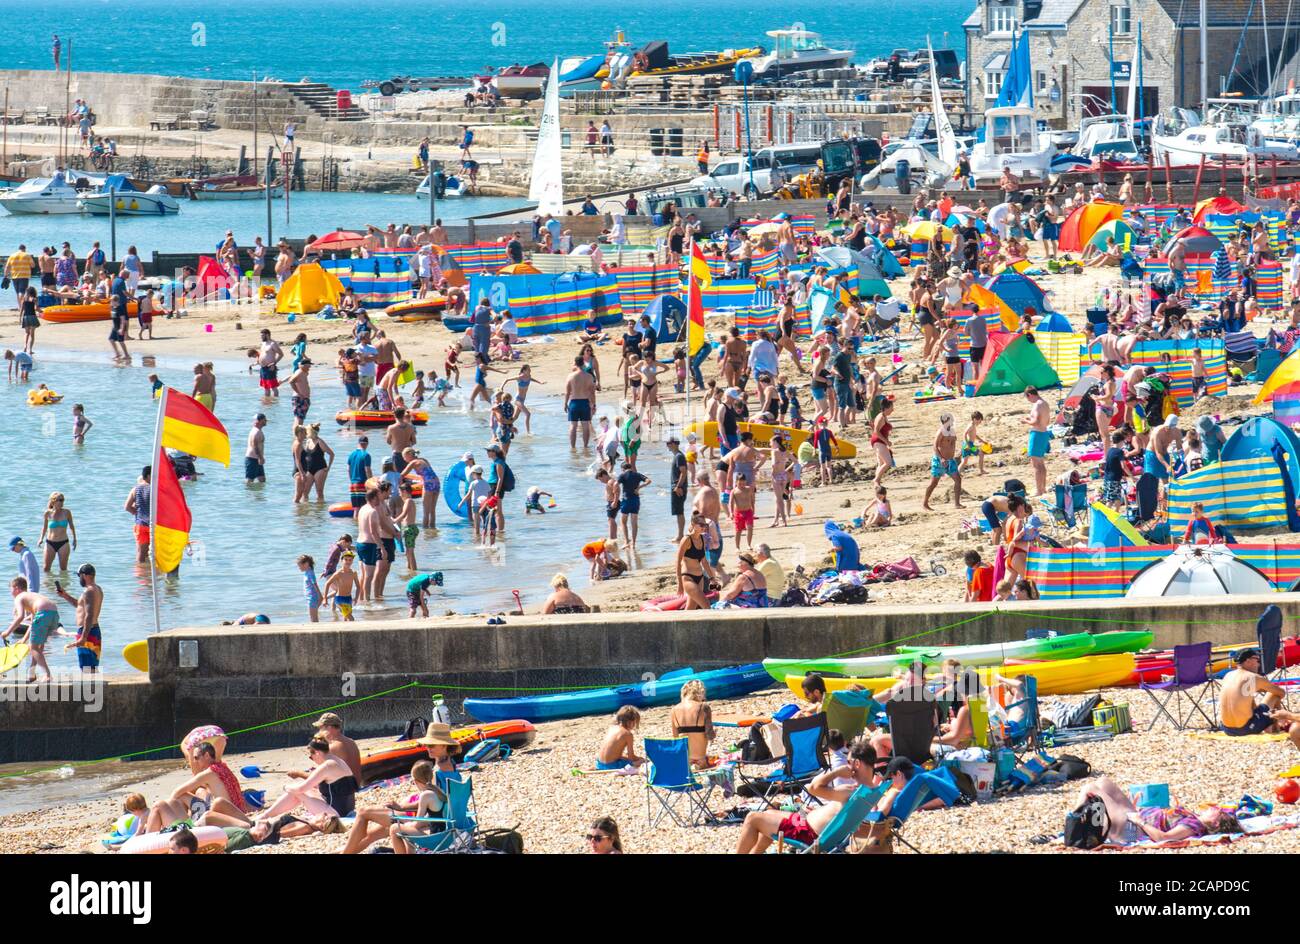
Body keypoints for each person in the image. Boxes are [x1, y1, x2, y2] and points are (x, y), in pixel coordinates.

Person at [735, 737, 882, 853]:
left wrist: (836, 772)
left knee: (752, 818)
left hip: (806, 833)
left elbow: (812, 788)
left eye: (848, 762)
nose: (846, 765)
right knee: (769, 813)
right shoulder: (872, 790)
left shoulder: (850, 791)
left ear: (856, 764)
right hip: (807, 823)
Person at [1074, 776, 1242, 845]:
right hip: (1135, 815)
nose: (1214, 808)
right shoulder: (1194, 817)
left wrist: (1140, 821)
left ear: (1215, 822)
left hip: (1132, 830)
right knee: (1103, 782)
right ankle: (1085, 827)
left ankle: (1074, 829)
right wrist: (1139, 809)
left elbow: (1163, 838)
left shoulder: (1194, 826)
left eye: (1217, 811)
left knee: (1090, 789)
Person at [341, 760, 444, 855]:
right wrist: (400, 808)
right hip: (441, 834)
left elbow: (419, 822)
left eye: (412, 782)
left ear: (416, 781)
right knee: (372, 833)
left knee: (394, 827)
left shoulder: (425, 795)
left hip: (434, 837)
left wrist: (405, 822)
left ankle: (345, 851)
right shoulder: (437, 792)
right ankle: (344, 851)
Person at [255, 737, 358, 822]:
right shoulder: (338, 761)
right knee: (306, 790)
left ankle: (264, 816)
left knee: (295, 791)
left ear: (317, 753)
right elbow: (333, 786)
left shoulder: (326, 766)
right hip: (347, 808)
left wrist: (286, 787)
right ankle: (265, 816)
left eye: (311, 756)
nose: (312, 759)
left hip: (335, 813)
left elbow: (300, 789)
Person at [1218, 648, 1300, 749]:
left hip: (1227, 729)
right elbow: (1281, 692)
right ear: (1248, 661)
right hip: (1245, 728)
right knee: (1274, 694)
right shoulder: (1253, 677)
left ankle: (1272, 723)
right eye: (1257, 660)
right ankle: (1276, 727)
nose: (1258, 664)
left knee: (1251, 699)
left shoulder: (1228, 675)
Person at [2, 577, 57, 680]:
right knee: (39, 645)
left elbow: (20, 617)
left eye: (11, 590)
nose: (11, 593)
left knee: (33, 647)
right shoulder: (32, 597)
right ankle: (32, 673)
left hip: (43, 612)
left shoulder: (19, 597)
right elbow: (32, 624)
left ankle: (47, 675)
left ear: (17, 588)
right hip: (53, 613)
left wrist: (7, 632)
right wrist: (24, 639)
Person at [54, 563, 103, 671]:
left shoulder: (89, 591)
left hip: (87, 632)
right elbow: (80, 606)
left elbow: (89, 615)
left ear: (84, 575)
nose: (79, 579)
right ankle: (95, 687)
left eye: (79, 576)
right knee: (91, 667)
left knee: (87, 668)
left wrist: (83, 637)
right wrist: (65, 595)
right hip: (94, 630)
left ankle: (91, 688)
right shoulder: (97, 589)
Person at [677, 514, 721, 609]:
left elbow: (704, 561)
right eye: (701, 525)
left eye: (705, 525)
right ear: (693, 524)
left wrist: (712, 578)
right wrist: (680, 584)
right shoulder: (686, 539)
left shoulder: (702, 538)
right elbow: (678, 561)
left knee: (690, 608)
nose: (703, 527)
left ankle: (684, 623)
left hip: (700, 578)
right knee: (706, 605)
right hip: (688, 578)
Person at [670, 679, 716, 768]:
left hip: (685, 761)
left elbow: (676, 740)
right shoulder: (704, 707)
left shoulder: (673, 710)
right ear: (700, 692)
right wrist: (714, 733)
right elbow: (710, 736)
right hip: (701, 760)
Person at [597, 705, 645, 770]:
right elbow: (631, 757)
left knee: (624, 758)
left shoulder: (612, 728)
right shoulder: (628, 734)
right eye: (635, 722)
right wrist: (641, 759)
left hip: (599, 763)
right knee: (641, 762)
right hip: (612, 766)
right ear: (631, 721)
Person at [564, 356, 596, 448]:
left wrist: (565, 403)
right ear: (583, 363)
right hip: (585, 402)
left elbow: (567, 392)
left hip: (574, 402)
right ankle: (585, 446)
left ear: (575, 363)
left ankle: (573, 447)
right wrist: (593, 404)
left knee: (573, 425)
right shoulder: (589, 376)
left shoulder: (570, 376)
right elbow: (592, 392)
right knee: (585, 425)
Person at [1024, 386, 1051, 496]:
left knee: (1036, 464)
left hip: (1037, 434)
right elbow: (1047, 421)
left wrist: (1026, 420)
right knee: (1041, 463)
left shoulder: (1037, 405)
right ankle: (1043, 488)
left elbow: (1035, 422)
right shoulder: (1045, 403)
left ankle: (1039, 490)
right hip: (1044, 433)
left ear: (1029, 395)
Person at [124, 466, 152, 565]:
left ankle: (141, 576)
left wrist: (136, 512)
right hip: (154, 525)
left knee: (141, 553)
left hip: (140, 525)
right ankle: (154, 575)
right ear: (149, 476)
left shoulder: (135, 489)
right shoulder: (155, 489)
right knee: (156, 553)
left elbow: (127, 507)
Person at [322, 551, 360, 621]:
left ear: (352, 561)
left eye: (350, 560)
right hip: (339, 599)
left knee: (346, 618)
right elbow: (327, 583)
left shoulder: (353, 573)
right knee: (351, 618)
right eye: (345, 559)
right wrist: (325, 598)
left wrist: (356, 598)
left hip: (349, 598)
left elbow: (358, 586)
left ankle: (346, 631)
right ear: (341, 560)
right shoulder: (339, 573)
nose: (348, 561)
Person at [244, 413, 267, 484]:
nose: (266, 421)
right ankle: (247, 494)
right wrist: (260, 457)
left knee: (262, 480)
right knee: (249, 480)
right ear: (259, 421)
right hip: (252, 458)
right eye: (264, 420)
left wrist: (260, 458)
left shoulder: (257, 431)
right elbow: (255, 446)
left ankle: (259, 495)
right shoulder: (256, 432)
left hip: (256, 458)